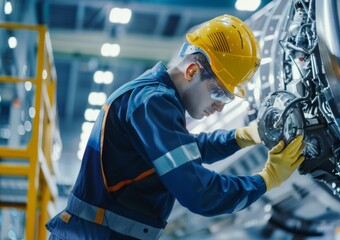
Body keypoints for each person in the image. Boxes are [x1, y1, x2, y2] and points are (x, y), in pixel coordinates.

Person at [46, 14, 305, 240]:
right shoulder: (152, 102)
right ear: (192, 71)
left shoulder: (152, 99)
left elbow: (181, 151)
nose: (220, 108)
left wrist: (240, 137)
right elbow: (199, 194)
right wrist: (265, 180)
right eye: (219, 94)